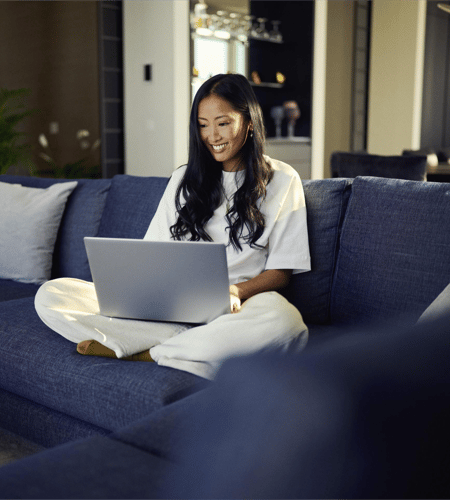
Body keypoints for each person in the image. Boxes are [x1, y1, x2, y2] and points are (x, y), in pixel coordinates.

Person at [34, 73, 311, 379]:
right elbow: (152, 252)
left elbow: (281, 272)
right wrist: (143, 294)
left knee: (286, 323)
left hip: (238, 307)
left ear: (248, 122)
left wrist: (233, 290)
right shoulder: (183, 180)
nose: (213, 136)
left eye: (222, 123)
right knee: (53, 294)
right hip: (172, 304)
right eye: (203, 125)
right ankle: (189, 348)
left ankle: (147, 351)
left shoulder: (284, 180)